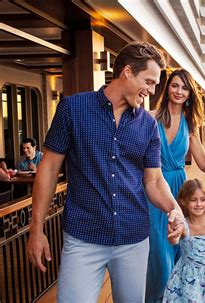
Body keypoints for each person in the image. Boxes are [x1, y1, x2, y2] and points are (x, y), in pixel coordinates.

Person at [26, 41, 184, 303]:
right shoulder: (72, 109)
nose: (153, 91)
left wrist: (173, 208)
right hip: (83, 237)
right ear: (128, 71)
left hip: (133, 238)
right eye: (150, 81)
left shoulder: (148, 125)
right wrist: (36, 228)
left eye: (156, 85)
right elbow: (49, 168)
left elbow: (154, 180)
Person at [146, 68, 205, 301]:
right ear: (166, 88)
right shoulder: (150, 117)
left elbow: (204, 164)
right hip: (152, 188)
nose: (179, 91)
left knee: (177, 248)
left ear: (189, 94)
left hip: (179, 189)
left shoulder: (190, 125)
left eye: (184, 88)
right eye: (175, 85)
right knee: (157, 249)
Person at [163, 179, 205, 302]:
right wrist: (172, 233)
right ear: (183, 201)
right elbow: (174, 242)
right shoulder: (183, 224)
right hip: (188, 277)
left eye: (203, 200)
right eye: (193, 200)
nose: (199, 204)